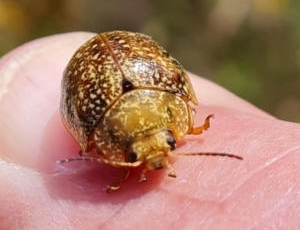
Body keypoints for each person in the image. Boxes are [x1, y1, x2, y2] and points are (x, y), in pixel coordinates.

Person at [0, 32, 299, 229]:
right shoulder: (103, 122)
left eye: (169, 139)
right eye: (134, 153)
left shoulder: (111, 125)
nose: (156, 160)